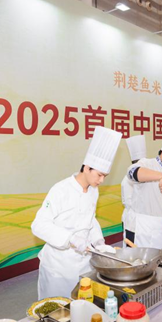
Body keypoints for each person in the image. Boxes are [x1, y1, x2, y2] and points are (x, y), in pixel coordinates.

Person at [32, 126, 122, 299]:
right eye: (100, 175)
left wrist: (98, 241)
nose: (102, 180)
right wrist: (70, 239)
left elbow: (90, 219)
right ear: (87, 168)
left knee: (81, 305)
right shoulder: (61, 190)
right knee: (58, 308)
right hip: (59, 267)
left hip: (83, 263)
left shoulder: (93, 190)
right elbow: (39, 225)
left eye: (105, 176)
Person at [122, 135, 147, 247]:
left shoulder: (145, 177)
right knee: (132, 249)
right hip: (132, 222)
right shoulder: (127, 180)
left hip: (143, 221)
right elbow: (129, 203)